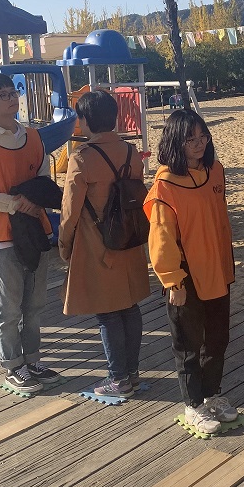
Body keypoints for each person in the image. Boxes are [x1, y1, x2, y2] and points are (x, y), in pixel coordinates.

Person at [0, 73, 61, 394]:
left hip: (35, 229)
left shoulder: (33, 137)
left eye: (12, 92)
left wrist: (35, 201)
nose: (10, 99)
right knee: (8, 306)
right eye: (2, 95)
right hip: (1, 234)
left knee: (34, 303)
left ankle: (32, 360)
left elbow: (44, 178)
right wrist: (16, 204)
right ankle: (12, 365)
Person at [146, 109, 238, 434]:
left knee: (217, 339)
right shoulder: (165, 186)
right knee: (187, 343)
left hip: (218, 270)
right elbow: (161, 237)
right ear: (175, 142)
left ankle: (212, 394)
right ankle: (193, 405)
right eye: (190, 139)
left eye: (203, 137)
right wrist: (173, 280)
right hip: (185, 275)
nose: (200, 144)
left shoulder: (215, 172)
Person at [59, 90, 150, 398]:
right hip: (129, 238)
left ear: (85, 120)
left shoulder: (82, 158)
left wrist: (64, 245)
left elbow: (70, 211)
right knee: (130, 307)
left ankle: (118, 378)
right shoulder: (131, 152)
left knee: (108, 313)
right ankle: (132, 373)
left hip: (98, 243)